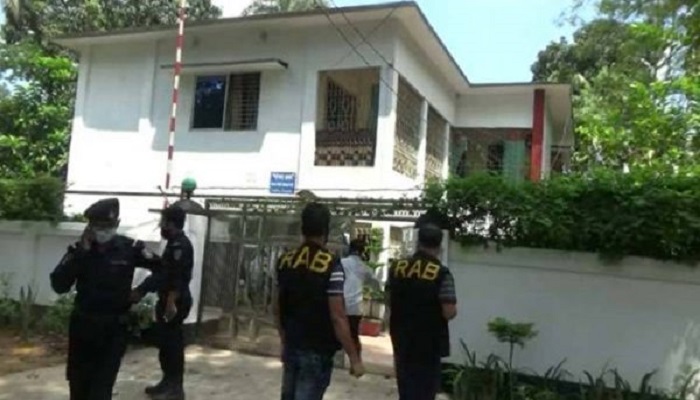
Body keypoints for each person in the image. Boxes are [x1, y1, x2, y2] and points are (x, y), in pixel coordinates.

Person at [50, 198, 161, 400]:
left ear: (117, 224)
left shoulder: (130, 248)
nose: (102, 231)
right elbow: (58, 285)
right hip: (83, 328)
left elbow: (163, 268)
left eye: (107, 226)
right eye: (98, 226)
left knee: (101, 389)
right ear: (89, 226)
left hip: (113, 329)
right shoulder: (79, 251)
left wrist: (142, 290)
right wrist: (81, 253)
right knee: (78, 385)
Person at [273, 202, 365, 400]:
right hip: (317, 350)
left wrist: (283, 339)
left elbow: (278, 306)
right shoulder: (331, 265)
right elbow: (338, 316)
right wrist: (354, 357)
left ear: (302, 228)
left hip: (292, 345)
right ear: (325, 230)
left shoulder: (285, 261)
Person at [387, 223, 458, 400]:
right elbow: (449, 311)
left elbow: (388, 299)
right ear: (439, 247)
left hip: (402, 339)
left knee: (406, 388)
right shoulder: (441, 274)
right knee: (424, 391)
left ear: (418, 243)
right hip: (428, 344)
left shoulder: (397, 268)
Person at [132, 205, 193, 400]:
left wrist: (170, 302)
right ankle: (167, 382)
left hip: (174, 300)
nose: (161, 226)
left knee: (172, 345)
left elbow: (176, 277)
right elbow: (163, 270)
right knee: (166, 344)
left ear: (171, 223)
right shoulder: (174, 244)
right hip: (167, 298)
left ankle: (175, 388)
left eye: (163, 222)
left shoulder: (180, 246)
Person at [341, 238, 380, 356]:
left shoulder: (341, 263)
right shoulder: (364, 268)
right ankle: (356, 360)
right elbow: (376, 284)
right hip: (355, 308)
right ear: (362, 252)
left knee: (337, 333)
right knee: (354, 336)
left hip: (340, 305)